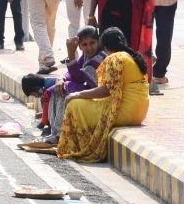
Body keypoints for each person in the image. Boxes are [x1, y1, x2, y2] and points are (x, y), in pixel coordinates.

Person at [57, 28, 150, 162]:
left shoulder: (114, 58)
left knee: (74, 104)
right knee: (78, 99)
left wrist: (77, 94)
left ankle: (80, 146)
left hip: (125, 113)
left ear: (104, 46)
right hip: (139, 113)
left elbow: (106, 90)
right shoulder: (130, 56)